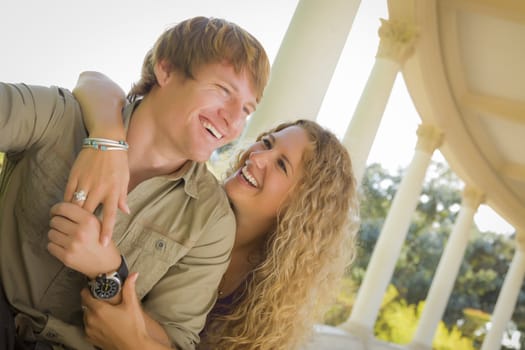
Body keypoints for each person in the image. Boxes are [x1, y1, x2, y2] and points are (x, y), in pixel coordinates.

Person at [0, 16, 270, 350]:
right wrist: (106, 140)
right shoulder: (61, 116)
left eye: (246, 109)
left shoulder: (211, 220)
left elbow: (174, 341)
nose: (232, 120)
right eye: (223, 91)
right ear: (166, 70)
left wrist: (110, 273)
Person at [65, 74, 360, 350]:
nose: (257, 156)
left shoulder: (272, 302)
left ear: (303, 209)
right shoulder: (187, 197)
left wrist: (135, 343)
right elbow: (94, 82)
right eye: (267, 143)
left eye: (282, 165)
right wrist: (106, 140)